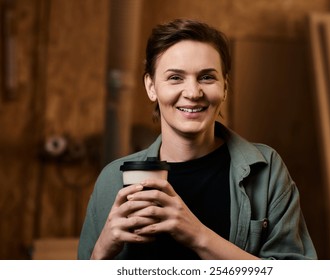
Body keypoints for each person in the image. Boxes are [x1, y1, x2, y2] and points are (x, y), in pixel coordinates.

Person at [78, 18, 317, 260]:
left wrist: (197, 235)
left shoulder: (266, 170)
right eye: (175, 78)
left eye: (206, 77)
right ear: (151, 86)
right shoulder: (112, 179)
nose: (193, 93)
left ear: (225, 86)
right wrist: (102, 250)